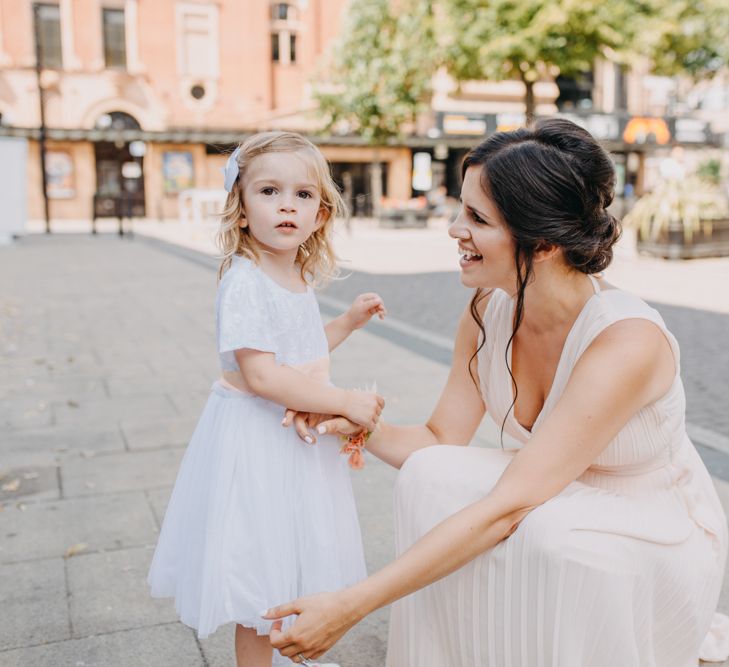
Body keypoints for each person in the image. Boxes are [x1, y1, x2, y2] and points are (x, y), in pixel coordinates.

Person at [263, 119, 729, 666]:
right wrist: (358, 423)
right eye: (462, 210)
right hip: (552, 498)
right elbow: (440, 438)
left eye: (477, 218)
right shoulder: (488, 309)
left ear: (546, 238)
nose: (454, 229)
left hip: (655, 527)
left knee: (548, 531)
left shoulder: (626, 340)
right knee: (429, 474)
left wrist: (351, 605)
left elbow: (510, 507)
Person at [147, 131, 387, 667]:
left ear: (320, 215)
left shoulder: (295, 273)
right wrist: (344, 400)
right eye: (269, 191)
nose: (286, 205)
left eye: (302, 195)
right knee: (258, 580)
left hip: (292, 442)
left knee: (290, 564)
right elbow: (261, 375)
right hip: (257, 440)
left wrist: (347, 322)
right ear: (239, 210)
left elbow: (298, 354)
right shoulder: (246, 281)